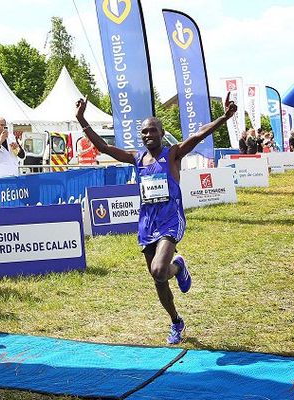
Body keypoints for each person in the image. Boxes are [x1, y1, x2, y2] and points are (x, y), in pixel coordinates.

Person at [75, 93, 237, 344]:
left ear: (162, 133)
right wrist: (81, 119)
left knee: (160, 269)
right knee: (158, 280)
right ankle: (176, 322)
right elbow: (104, 148)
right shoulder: (136, 159)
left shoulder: (173, 154)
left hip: (170, 219)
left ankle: (178, 265)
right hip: (147, 223)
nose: (148, 135)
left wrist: (224, 118)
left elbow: (198, 135)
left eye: (152, 131)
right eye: (144, 132)